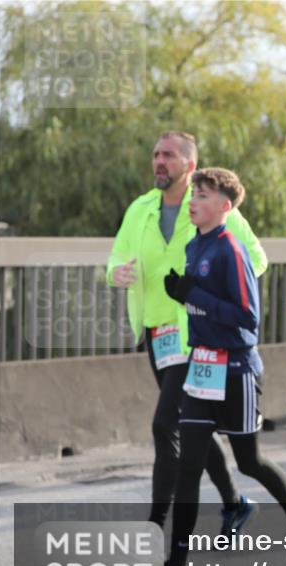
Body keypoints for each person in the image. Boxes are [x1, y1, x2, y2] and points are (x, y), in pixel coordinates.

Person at [161, 168, 286, 566]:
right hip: (201, 369)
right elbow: (203, 306)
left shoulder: (231, 249)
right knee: (189, 467)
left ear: (225, 206)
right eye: (193, 193)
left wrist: (194, 295)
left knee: (249, 462)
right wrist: (182, 295)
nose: (193, 200)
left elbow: (248, 319)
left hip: (236, 371)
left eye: (203, 195)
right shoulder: (194, 246)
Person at [106, 131, 263, 537]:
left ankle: (156, 525)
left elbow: (255, 260)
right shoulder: (140, 208)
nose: (159, 161)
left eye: (169, 155)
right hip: (156, 331)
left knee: (165, 424)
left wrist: (208, 295)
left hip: (193, 335)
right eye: (156, 154)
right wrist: (117, 273)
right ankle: (234, 503)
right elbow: (116, 257)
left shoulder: (216, 209)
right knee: (192, 423)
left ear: (190, 166)